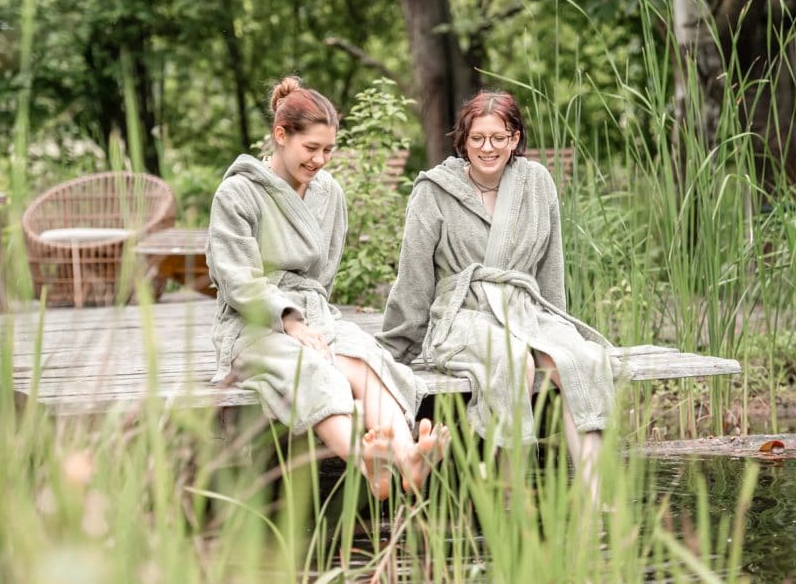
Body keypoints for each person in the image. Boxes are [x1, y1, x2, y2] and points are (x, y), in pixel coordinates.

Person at [207, 76, 448, 499]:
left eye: (329, 150)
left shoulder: (329, 193)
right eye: (311, 148)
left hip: (315, 317)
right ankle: (366, 459)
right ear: (281, 136)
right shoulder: (237, 192)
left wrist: (311, 322)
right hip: (253, 324)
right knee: (313, 370)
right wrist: (291, 324)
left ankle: (408, 456)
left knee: (368, 359)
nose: (320, 160)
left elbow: (324, 274)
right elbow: (237, 278)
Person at [378, 90, 614, 491]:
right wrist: (395, 350)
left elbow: (550, 266)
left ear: (515, 138)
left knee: (583, 358)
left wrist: (557, 331)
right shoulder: (434, 191)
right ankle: (512, 493)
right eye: (477, 138)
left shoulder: (537, 182)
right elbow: (413, 276)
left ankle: (595, 497)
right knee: (510, 358)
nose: (488, 148)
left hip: (525, 308)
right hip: (463, 314)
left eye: (498, 138)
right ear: (463, 140)